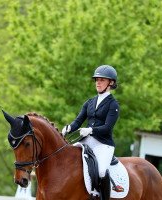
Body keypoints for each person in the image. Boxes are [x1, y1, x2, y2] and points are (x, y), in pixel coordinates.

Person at [61, 65, 120, 200]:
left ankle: (103, 197)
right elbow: (78, 121)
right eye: (96, 80)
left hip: (103, 144)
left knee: (101, 171)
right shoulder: (89, 102)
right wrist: (69, 128)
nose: (98, 82)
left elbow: (107, 127)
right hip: (86, 141)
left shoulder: (113, 105)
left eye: (102, 80)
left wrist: (91, 130)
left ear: (110, 83)